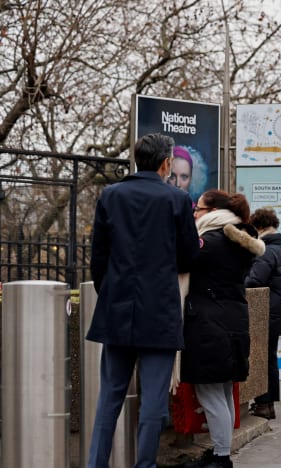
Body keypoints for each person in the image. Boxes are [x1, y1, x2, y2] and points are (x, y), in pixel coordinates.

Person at [86, 133, 200, 468]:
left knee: (109, 397)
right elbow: (190, 257)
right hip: (160, 310)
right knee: (153, 403)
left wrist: (113, 290)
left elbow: (98, 258)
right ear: (166, 163)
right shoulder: (177, 200)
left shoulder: (111, 195)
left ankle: (96, 464)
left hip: (117, 308)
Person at [181, 189, 264, 468]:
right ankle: (221, 450)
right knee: (224, 391)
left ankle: (221, 457)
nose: (194, 213)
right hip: (232, 321)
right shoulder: (238, 241)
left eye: (198, 209)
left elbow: (181, 261)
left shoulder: (210, 241)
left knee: (211, 393)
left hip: (208, 325)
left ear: (212, 212)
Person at [245, 208, 281, 420]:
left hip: (265, 311)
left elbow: (255, 280)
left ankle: (263, 402)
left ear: (259, 227)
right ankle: (269, 403)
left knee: (260, 358)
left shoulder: (266, 250)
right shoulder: (280, 248)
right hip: (277, 310)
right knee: (270, 357)